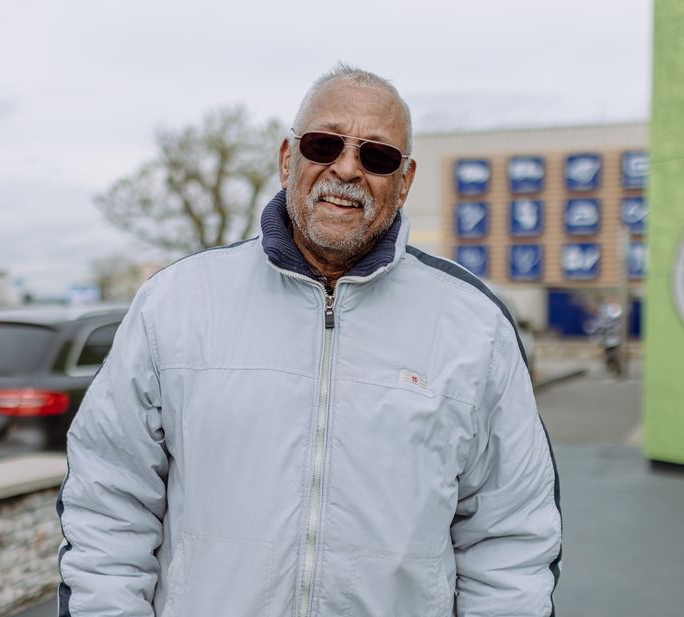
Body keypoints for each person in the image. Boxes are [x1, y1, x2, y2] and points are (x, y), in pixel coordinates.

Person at [57, 64, 562, 617]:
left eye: (377, 156)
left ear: (405, 180)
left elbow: (511, 538)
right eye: (324, 144)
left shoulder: (474, 325)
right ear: (286, 158)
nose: (346, 168)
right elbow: (107, 507)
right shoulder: (174, 304)